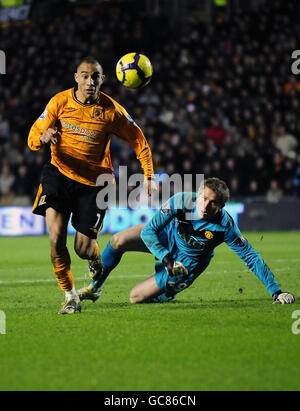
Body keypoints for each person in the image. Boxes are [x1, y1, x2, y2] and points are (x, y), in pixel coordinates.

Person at [28, 56, 155, 314]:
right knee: (55, 239)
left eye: (95, 76)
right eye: (84, 76)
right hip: (59, 174)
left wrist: (149, 176)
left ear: (102, 80)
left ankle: (95, 257)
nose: (89, 81)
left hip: (95, 183)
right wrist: (43, 137)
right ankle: (70, 295)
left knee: (83, 249)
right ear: (76, 78)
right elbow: (33, 136)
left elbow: (139, 140)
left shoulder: (112, 111)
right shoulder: (59, 102)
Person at [79, 177, 295, 305]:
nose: (206, 205)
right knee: (118, 240)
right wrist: (166, 258)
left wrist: (276, 291)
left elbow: (250, 257)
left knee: (135, 297)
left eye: (213, 203)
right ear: (198, 194)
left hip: (189, 262)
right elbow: (150, 231)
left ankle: (167, 293)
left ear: (221, 207)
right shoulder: (182, 201)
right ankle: (95, 287)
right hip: (169, 238)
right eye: (204, 198)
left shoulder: (225, 226)